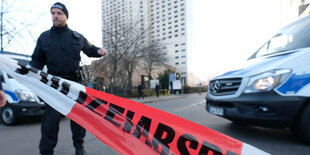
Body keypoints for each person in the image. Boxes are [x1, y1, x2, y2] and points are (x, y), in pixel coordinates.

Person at [30, 2, 108, 155]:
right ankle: (46, 152)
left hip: (74, 85)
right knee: (50, 124)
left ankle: (79, 148)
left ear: (66, 16)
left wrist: (99, 51)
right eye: (53, 13)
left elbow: (90, 49)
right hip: (54, 86)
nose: (55, 16)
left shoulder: (76, 37)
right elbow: (36, 61)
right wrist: (31, 75)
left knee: (79, 120)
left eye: (59, 13)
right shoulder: (44, 38)